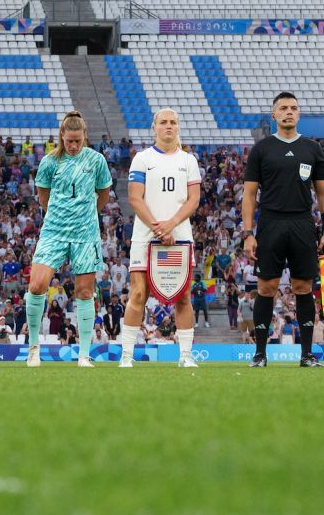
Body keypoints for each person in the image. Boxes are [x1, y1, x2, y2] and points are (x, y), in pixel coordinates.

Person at [242, 91, 324, 367]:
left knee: (303, 286)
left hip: (302, 222)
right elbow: (249, 195)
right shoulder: (261, 149)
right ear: (274, 115)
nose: (289, 112)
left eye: (293, 108)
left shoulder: (312, 149)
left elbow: (323, 192)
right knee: (267, 287)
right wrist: (248, 234)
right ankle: (259, 354)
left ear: (299, 113)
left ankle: (306, 355)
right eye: (283, 108)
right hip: (270, 222)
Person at [24, 111, 113, 368]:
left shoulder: (96, 161)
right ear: (61, 136)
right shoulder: (49, 162)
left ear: (85, 136)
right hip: (54, 231)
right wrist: (60, 216)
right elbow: (43, 197)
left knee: (85, 292)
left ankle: (84, 355)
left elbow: (104, 193)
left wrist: (87, 215)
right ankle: (33, 348)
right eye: (69, 141)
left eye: (78, 141)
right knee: (37, 285)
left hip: (85, 234)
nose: (73, 146)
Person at [119, 109, 202, 368]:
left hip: (179, 237)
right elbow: (135, 198)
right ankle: (127, 355)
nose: (169, 126)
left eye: (173, 122)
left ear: (178, 127)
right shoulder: (142, 159)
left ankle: (186, 356)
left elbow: (194, 199)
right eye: (163, 122)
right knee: (138, 293)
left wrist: (171, 225)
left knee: (183, 296)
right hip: (146, 236)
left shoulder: (189, 160)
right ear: (153, 127)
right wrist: (158, 227)